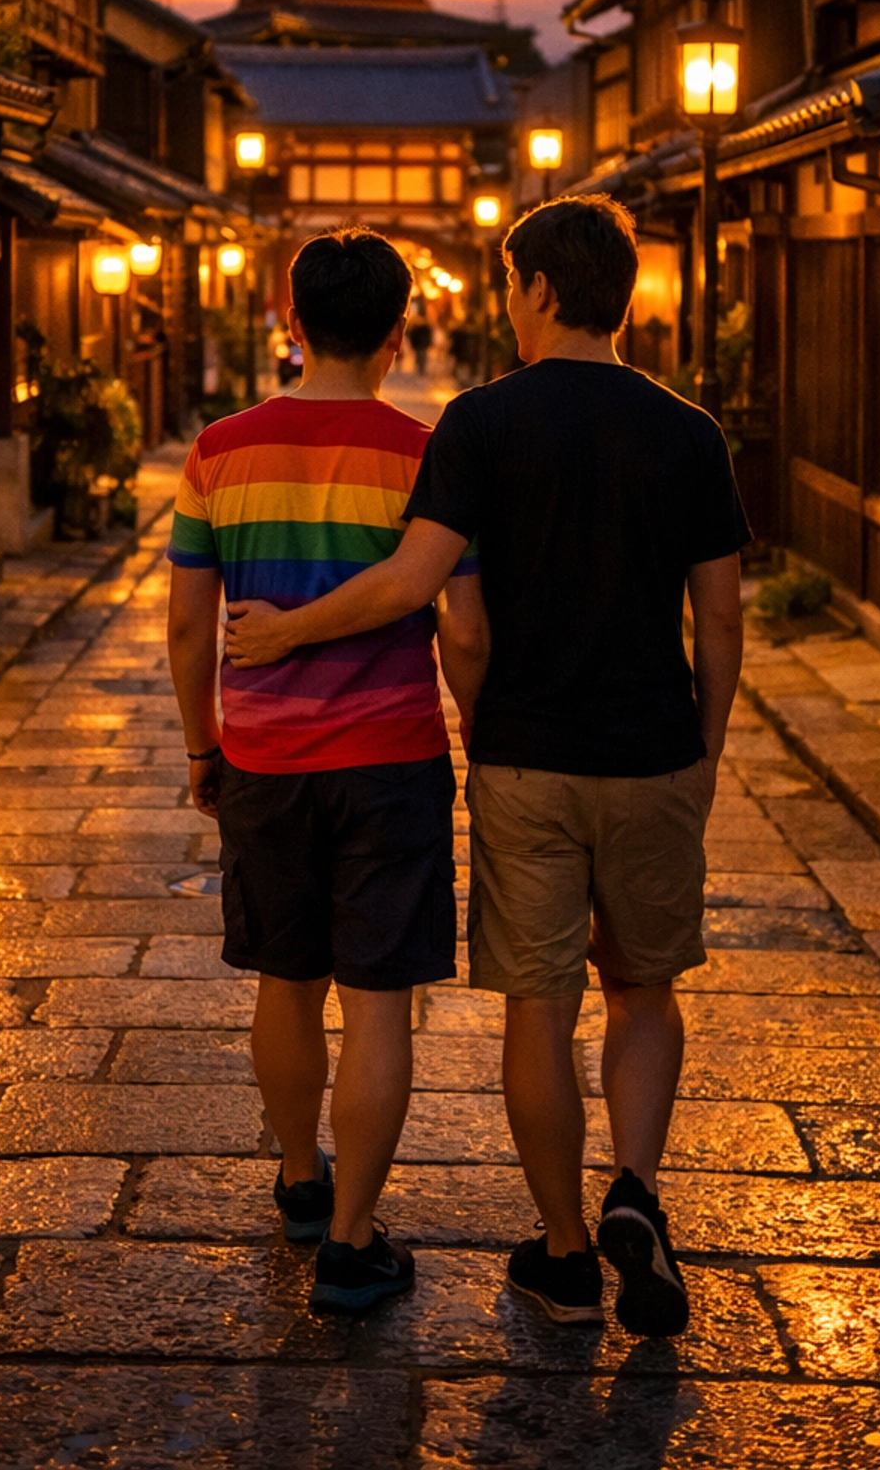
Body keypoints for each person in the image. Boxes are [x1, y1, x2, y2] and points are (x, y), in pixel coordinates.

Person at [225, 195, 747, 1336]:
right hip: (656, 751)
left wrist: (297, 640)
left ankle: (564, 1253)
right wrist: (703, 749)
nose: (506, 306)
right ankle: (639, 1193)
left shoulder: (480, 422)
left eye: (511, 287)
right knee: (644, 990)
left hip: (526, 758)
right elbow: (719, 617)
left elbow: (431, 600)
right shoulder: (689, 432)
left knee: (541, 1008)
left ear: (543, 292)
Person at [166, 228, 485, 1314]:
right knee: (379, 1002)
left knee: (284, 981)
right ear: (400, 333)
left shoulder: (220, 448)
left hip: (264, 753)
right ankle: (352, 1246)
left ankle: (302, 1182)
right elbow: (465, 625)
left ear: (291, 325)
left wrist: (205, 744)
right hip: (391, 756)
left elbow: (182, 624)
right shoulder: (427, 452)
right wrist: (483, 743)